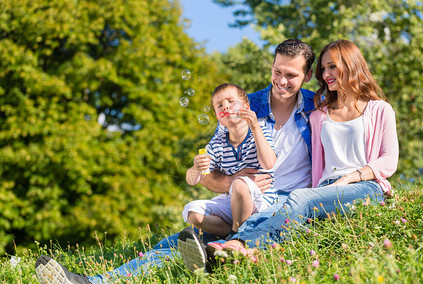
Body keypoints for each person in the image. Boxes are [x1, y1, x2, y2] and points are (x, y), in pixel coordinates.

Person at [35, 38, 317, 283]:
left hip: (284, 205)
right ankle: (93, 282)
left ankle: (220, 256)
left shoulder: (317, 109)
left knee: (209, 239)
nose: (281, 81)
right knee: (177, 240)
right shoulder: (242, 106)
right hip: (241, 201)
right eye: (276, 71)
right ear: (271, 67)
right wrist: (234, 180)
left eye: (291, 75)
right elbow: (208, 172)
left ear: (307, 76)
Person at [200, 39, 399, 257]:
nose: (326, 74)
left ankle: (239, 244)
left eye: (332, 66)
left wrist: (350, 178)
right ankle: (223, 253)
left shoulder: (376, 109)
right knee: (187, 233)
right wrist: (226, 179)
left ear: (307, 75)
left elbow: (389, 160)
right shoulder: (320, 114)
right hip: (313, 190)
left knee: (300, 199)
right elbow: (207, 170)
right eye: (324, 68)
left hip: (362, 186)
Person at [183, 83, 277, 239]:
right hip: (234, 200)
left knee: (240, 183)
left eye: (231, 101)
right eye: (219, 105)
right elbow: (192, 180)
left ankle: (236, 237)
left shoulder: (260, 131)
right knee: (193, 214)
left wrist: (254, 127)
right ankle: (230, 233)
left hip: (262, 199)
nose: (225, 107)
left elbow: (269, 163)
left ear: (246, 107)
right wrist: (196, 167)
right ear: (217, 116)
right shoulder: (217, 143)